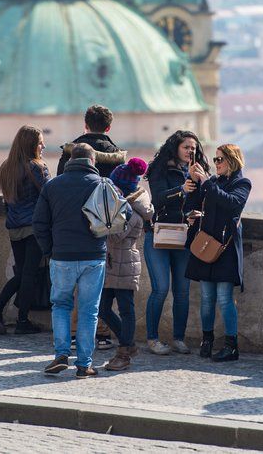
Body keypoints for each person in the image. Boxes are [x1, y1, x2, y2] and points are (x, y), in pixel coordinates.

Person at [33, 143, 108, 378]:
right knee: (89, 310)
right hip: (94, 255)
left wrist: (50, 250)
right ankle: (84, 364)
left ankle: (61, 354)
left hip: (62, 256)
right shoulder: (103, 185)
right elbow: (119, 218)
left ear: (69, 160)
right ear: (93, 161)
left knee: (61, 305)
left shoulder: (53, 185)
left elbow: (39, 224)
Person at [143, 131, 208, 355]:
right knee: (160, 288)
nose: (191, 151)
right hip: (160, 234)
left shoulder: (199, 171)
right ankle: (152, 338)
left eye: (194, 147)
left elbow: (205, 199)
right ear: (175, 147)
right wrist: (182, 189)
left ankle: (179, 338)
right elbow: (158, 199)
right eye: (186, 147)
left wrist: (201, 185)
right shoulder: (160, 168)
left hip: (185, 235)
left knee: (182, 290)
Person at [185, 144, 252, 362]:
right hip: (206, 244)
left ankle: (231, 346)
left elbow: (231, 203)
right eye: (215, 160)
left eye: (220, 159)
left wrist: (205, 182)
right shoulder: (212, 182)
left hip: (226, 248)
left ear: (232, 161)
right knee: (206, 298)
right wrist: (192, 187)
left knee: (224, 299)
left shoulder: (242, 183)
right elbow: (193, 203)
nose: (217, 164)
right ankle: (207, 340)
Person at [0, 126, 50, 336]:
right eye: (40, 142)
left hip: (14, 226)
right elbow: (49, 196)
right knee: (29, 274)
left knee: (23, 273)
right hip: (33, 227)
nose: (43, 146)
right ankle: (21, 320)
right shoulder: (38, 168)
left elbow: (7, 200)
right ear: (31, 144)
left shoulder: (6, 167)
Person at [100, 158, 152, 371]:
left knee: (126, 310)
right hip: (114, 264)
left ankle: (124, 353)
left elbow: (115, 237)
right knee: (103, 308)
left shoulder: (132, 211)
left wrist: (101, 222)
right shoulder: (123, 206)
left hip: (125, 264)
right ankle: (128, 343)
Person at [56, 104, 126, 178]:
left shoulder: (70, 149)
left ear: (86, 126)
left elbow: (60, 177)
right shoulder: (116, 154)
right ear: (108, 128)